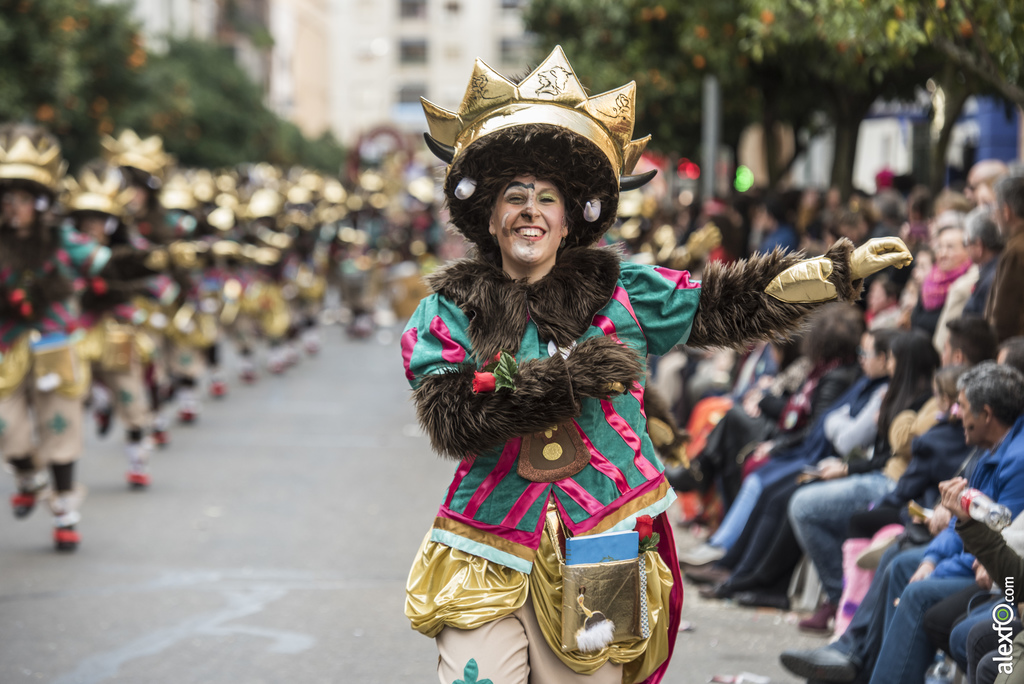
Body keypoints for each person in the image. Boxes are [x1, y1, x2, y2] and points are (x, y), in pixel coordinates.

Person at [402, 47, 912, 684]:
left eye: (547, 199)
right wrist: (569, 380)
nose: (530, 209)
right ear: (491, 215)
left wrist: (831, 273)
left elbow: (725, 303)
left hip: (606, 536)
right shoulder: (448, 310)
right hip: (488, 537)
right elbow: (453, 418)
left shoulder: (625, 294)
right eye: (515, 196)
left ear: (570, 219)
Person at [780, 362, 1024, 684]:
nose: (954, 412)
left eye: (961, 406)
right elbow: (965, 524)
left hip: (994, 579)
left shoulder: (1016, 460)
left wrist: (936, 565)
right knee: (902, 563)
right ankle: (857, 660)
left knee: (917, 592)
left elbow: (996, 548)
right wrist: (932, 558)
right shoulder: (991, 449)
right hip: (983, 564)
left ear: (987, 414)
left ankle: (863, 664)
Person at [0, 124, 110, 550]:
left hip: (54, 345)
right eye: (5, 197)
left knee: (60, 425)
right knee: (6, 427)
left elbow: (107, 265)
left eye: (22, 198)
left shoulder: (65, 241)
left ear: (41, 201)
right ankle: (28, 473)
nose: (11, 207)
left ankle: (65, 508)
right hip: (7, 345)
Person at [912, 223, 973, 338]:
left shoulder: (968, 284)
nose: (943, 254)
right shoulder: (930, 279)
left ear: (967, 250)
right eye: (940, 247)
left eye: (950, 247)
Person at [987, 175, 1024, 343]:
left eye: (995, 208)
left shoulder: (1016, 251)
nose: (994, 216)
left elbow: (1003, 319)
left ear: (1007, 211)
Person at [960, 208, 1005, 317]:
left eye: (966, 242)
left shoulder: (992, 277)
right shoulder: (998, 267)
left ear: (979, 246)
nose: (965, 248)